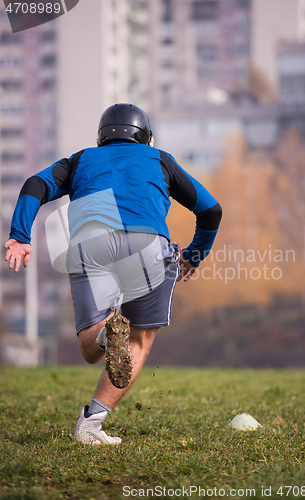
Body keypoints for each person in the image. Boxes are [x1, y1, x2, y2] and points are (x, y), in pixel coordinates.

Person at [4, 103, 222, 445]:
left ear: (101, 137)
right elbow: (210, 209)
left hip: (89, 244)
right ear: (146, 137)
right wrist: (194, 255)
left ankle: (106, 333)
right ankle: (90, 425)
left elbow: (35, 184)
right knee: (137, 340)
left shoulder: (80, 160)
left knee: (89, 348)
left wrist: (20, 235)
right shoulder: (159, 159)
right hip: (148, 244)